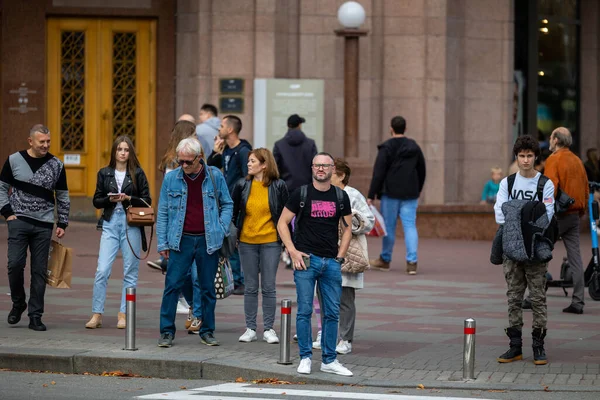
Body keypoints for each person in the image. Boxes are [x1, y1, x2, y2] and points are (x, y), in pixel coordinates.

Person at [277, 152, 354, 377]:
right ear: (312, 168)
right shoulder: (300, 194)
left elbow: (348, 227)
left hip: (331, 262)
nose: (321, 169)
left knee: (332, 313)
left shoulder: (341, 196)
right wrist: (292, 251)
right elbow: (282, 223)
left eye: (325, 166)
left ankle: (329, 360)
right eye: (317, 165)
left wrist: (340, 256)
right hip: (306, 260)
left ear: (332, 170)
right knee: (304, 311)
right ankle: (305, 357)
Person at [156, 137, 233, 348]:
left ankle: (207, 331)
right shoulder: (172, 179)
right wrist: (162, 243)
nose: (183, 166)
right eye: (180, 161)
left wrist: (221, 227)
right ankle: (166, 332)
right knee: (172, 286)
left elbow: (228, 204)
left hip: (208, 240)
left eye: (188, 162)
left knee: (207, 288)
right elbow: (162, 212)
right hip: (180, 241)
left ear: (199, 158)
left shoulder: (214, 176)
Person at [0, 124, 70, 331]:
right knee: (14, 264)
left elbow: (63, 195)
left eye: (48, 141)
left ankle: (35, 315)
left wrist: (62, 222)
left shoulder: (57, 165)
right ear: (30, 141)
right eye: (42, 142)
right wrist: (7, 213)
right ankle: (18, 302)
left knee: (39, 271)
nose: (46, 145)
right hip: (18, 220)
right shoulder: (14, 160)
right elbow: (2, 188)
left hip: (44, 224)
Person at [493, 135, 554, 365]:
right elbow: (499, 214)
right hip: (511, 247)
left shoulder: (544, 184)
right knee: (514, 297)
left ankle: (538, 345)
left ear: (535, 157)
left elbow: (546, 217)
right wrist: (527, 213)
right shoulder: (507, 183)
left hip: (536, 249)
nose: (526, 160)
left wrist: (515, 213)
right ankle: (515, 346)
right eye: (522, 156)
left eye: (529, 156)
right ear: (516, 157)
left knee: (538, 297)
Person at [86, 136, 151, 329]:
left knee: (130, 271)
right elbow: (96, 200)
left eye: (126, 149)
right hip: (110, 223)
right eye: (119, 149)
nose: (123, 153)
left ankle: (124, 313)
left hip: (131, 224)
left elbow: (147, 200)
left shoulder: (137, 173)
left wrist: (129, 197)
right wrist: (110, 200)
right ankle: (97, 313)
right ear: (114, 152)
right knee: (102, 270)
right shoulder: (104, 173)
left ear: (130, 153)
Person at [148, 119, 203, 332]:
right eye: (194, 133)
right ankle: (179, 319)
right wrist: (164, 240)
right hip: (177, 229)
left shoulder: (201, 163)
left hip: (197, 229)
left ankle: (198, 314)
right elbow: (166, 206)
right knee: (183, 277)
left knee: (197, 275)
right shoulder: (174, 164)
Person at [231, 148, 289, 344]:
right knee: (250, 287)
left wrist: (288, 242)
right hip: (247, 242)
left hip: (271, 242)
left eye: (253, 161)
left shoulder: (279, 186)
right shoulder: (241, 185)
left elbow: (285, 215)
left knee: (269, 286)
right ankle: (250, 328)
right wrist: (233, 235)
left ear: (264, 164)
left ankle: (269, 329)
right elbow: (233, 212)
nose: (249, 163)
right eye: (248, 160)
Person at [367, 116, 426, 274]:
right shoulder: (414, 147)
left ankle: (385, 260)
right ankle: (412, 263)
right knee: (410, 226)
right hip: (410, 194)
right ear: (405, 129)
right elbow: (422, 170)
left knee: (389, 227)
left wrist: (371, 194)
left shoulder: (386, 148)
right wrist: (417, 189)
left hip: (390, 193)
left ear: (391, 128)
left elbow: (378, 173)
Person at [330, 158, 374, 355]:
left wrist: (352, 218)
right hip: (324, 250)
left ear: (341, 175)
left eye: (331, 172)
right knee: (324, 296)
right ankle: (326, 334)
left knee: (345, 297)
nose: (325, 174)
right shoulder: (320, 192)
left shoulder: (352, 194)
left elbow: (369, 221)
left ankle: (345, 339)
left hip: (348, 252)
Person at [544, 127, 589, 315]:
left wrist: (544, 214)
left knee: (541, 252)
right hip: (574, 215)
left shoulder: (554, 159)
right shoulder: (577, 160)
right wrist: (581, 212)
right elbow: (586, 189)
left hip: (558, 215)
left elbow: (549, 189)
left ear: (555, 140)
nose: (549, 139)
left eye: (551, 136)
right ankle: (578, 301)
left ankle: (533, 298)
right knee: (575, 258)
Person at [208, 115, 252, 295]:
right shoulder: (225, 149)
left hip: (237, 203)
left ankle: (238, 280)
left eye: (222, 126)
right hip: (225, 202)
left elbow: (247, 177)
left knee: (232, 238)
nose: (219, 129)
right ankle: (233, 279)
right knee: (227, 238)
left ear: (231, 130)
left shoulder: (243, 151)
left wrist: (238, 197)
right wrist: (215, 152)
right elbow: (210, 168)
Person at [273, 114, 318, 194]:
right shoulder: (310, 144)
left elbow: (275, 168)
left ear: (288, 126)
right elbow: (316, 167)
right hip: (307, 189)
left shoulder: (279, 145)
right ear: (299, 125)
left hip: (286, 190)